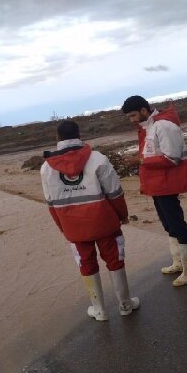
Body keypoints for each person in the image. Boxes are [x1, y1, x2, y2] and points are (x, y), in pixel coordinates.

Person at [40, 120, 139, 321]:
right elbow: (115, 193)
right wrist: (122, 216)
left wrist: (63, 228)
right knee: (114, 259)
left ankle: (99, 310)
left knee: (86, 263)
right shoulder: (98, 159)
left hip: (73, 226)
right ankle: (125, 305)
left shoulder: (46, 168)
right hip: (103, 222)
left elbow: (50, 204)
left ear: (57, 138)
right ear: (79, 134)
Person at [121, 96, 187, 287]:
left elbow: (172, 158)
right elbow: (153, 152)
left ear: (143, 110)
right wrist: (138, 156)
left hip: (167, 184)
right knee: (168, 224)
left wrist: (139, 161)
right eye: (128, 117)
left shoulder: (163, 125)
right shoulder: (149, 126)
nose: (131, 120)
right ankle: (179, 262)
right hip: (157, 184)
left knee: (177, 224)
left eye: (132, 115)